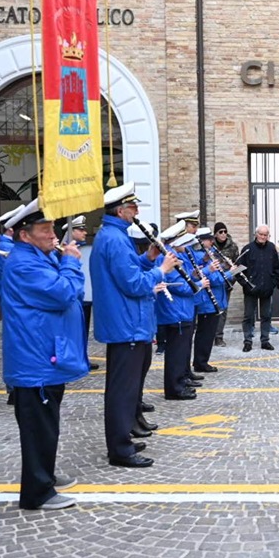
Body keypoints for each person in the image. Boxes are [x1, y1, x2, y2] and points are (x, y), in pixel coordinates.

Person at [0, 199, 86, 510]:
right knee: (39, 427)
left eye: (52, 227)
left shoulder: (39, 256)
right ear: (25, 235)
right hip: (35, 360)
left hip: (45, 355)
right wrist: (72, 262)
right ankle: (38, 492)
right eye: (45, 229)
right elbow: (64, 293)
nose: (54, 234)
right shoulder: (25, 263)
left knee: (47, 424)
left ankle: (44, 475)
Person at [90, 183, 177, 468]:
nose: (136, 211)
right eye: (133, 207)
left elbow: (128, 270)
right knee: (122, 390)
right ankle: (120, 449)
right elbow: (132, 283)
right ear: (120, 210)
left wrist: (148, 258)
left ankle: (123, 437)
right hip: (125, 323)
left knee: (126, 389)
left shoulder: (115, 236)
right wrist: (160, 270)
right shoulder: (114, 239)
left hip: (127, 321)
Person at [155, 223, 203, 401]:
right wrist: (198, 285)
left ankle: (180, 382)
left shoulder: (176, 254)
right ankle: (175, 388)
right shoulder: (169, 256)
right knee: (176, 352)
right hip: (176, 310)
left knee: (181, 351)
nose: (188, 245)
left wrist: (196, 277)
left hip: (182, 309)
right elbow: (179, 286)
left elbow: (186, 278)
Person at [60, 215, 99, 372]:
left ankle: (82, 359)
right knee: (71, 333)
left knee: (82, 331)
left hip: (82, 296)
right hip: (72, 297)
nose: (84, 233)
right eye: (80, 230)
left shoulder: (80, 248)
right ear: (71, 231)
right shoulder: (63, 251)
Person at [191, 227, 230, 373]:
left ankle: (202, 360)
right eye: (209, 239)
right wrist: (231, 274)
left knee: (208, 333)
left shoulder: (209, 254)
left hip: (215, 299)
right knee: (205, 334)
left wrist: (226, 267)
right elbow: (214, 279)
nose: (212, 241)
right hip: (207, 301)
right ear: (201, 241)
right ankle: (201, 362)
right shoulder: (199, 256)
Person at [239, 224, 279, 352]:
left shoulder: (272, 248)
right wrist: (246, 285)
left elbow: (277, 268)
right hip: (250, 289)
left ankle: (265, 340)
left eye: (265, 235)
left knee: (266, 316)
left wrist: (272, 284)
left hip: (266, 289)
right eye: (261, 234)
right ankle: (247, 341)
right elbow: (239, 271)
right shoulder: (247, 249)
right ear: (256, 234)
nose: (263, 237)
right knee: (248, 316)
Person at [210, 222, 240, 347]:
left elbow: (237, 266)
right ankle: (209, 335)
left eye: (225, 232)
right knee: (211, 310)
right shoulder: (210, 246)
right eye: (220, 232)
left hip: (226, 283)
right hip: (213, 282)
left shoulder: (232, 246)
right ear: (215, 234)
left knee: (223, 310)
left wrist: (231, 279)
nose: (223, 234)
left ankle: (219, 337)